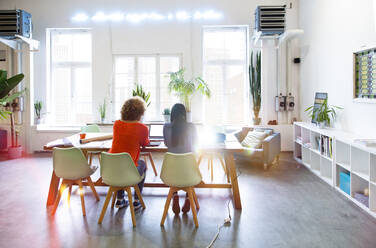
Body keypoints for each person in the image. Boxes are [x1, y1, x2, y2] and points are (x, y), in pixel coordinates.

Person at [109, 96, 150, 209]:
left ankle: (120, 199)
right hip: (128, 170)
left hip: (111, 169)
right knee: (142, 165)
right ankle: (137, 200)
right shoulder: (142, 128)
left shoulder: (117, 124)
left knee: (120, 164)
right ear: (140, 113)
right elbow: (145, 143)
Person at [163, 103, 198, 214]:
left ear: (172, 114)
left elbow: (167, 144)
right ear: (184, 114)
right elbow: (196, 143)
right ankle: (188, 197)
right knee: (190, 164)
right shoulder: (191, 127)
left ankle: (175, 195)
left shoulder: (166, 127)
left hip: (171, 172)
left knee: (176, 167)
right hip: (189, 172)